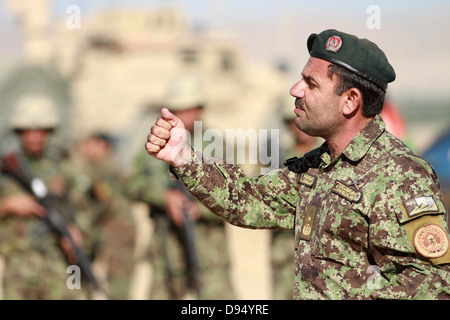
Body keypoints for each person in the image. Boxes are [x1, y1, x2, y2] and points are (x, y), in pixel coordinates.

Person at [144, 29, 450, 299]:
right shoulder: (316, 166)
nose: (295, 90)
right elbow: (247, 199)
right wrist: (184, 157)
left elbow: (433, 285)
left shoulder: (401, 175)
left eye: (311, 84)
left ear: (350, 101)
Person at [126, 73, 236, 300]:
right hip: (167, 248)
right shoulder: (156, 145)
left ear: (200, 109)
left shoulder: (218, 146)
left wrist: (200, 208)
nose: (183, 116)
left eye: (188, 109)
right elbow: (131, 183)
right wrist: (163, 197)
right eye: (177, 110)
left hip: (209, 252)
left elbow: (238, 195)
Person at [0, 94, 89, 299]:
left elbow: (84, 209)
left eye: (41, 130)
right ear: (19, 133)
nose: (34, 136)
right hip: (19, 265)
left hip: (62, 263)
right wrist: (7, 205)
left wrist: (78, 231)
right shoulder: (6, 170)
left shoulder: (64, 169)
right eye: (27, 131)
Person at [69, 132, 136, 299]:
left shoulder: (104, 168)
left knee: (118, 277)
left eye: (89, 143)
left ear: (102, 146)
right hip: (103, 226)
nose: (83, 148)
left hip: (116, 227)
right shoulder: (96, 167)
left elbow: (107, 202)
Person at [269, 97, 321, 300]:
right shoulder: (278, 160)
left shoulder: (326, 158)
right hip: (284, 253)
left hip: (317, 255)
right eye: (293, 123)